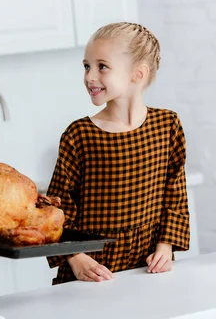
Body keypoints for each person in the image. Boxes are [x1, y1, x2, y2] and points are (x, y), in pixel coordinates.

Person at [46, 22, 190, 284]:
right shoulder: (79, 135)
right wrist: (76, 258)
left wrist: (166, 246)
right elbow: (57, 208)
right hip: (91, 273)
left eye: (102, 66)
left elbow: (175, 194)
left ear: (138, 74)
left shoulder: (168, 126)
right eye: (87, 66)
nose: (90, 76)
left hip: (147, 270)